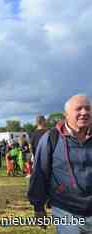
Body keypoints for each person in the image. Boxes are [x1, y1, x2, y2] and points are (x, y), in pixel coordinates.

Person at [28, 94, 92, 233]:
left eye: (88, 109)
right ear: (66, 115)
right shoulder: (51, 138)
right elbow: (39, 172)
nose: (84, 112)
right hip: (65, 208)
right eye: (79, 109)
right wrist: (38, 207)